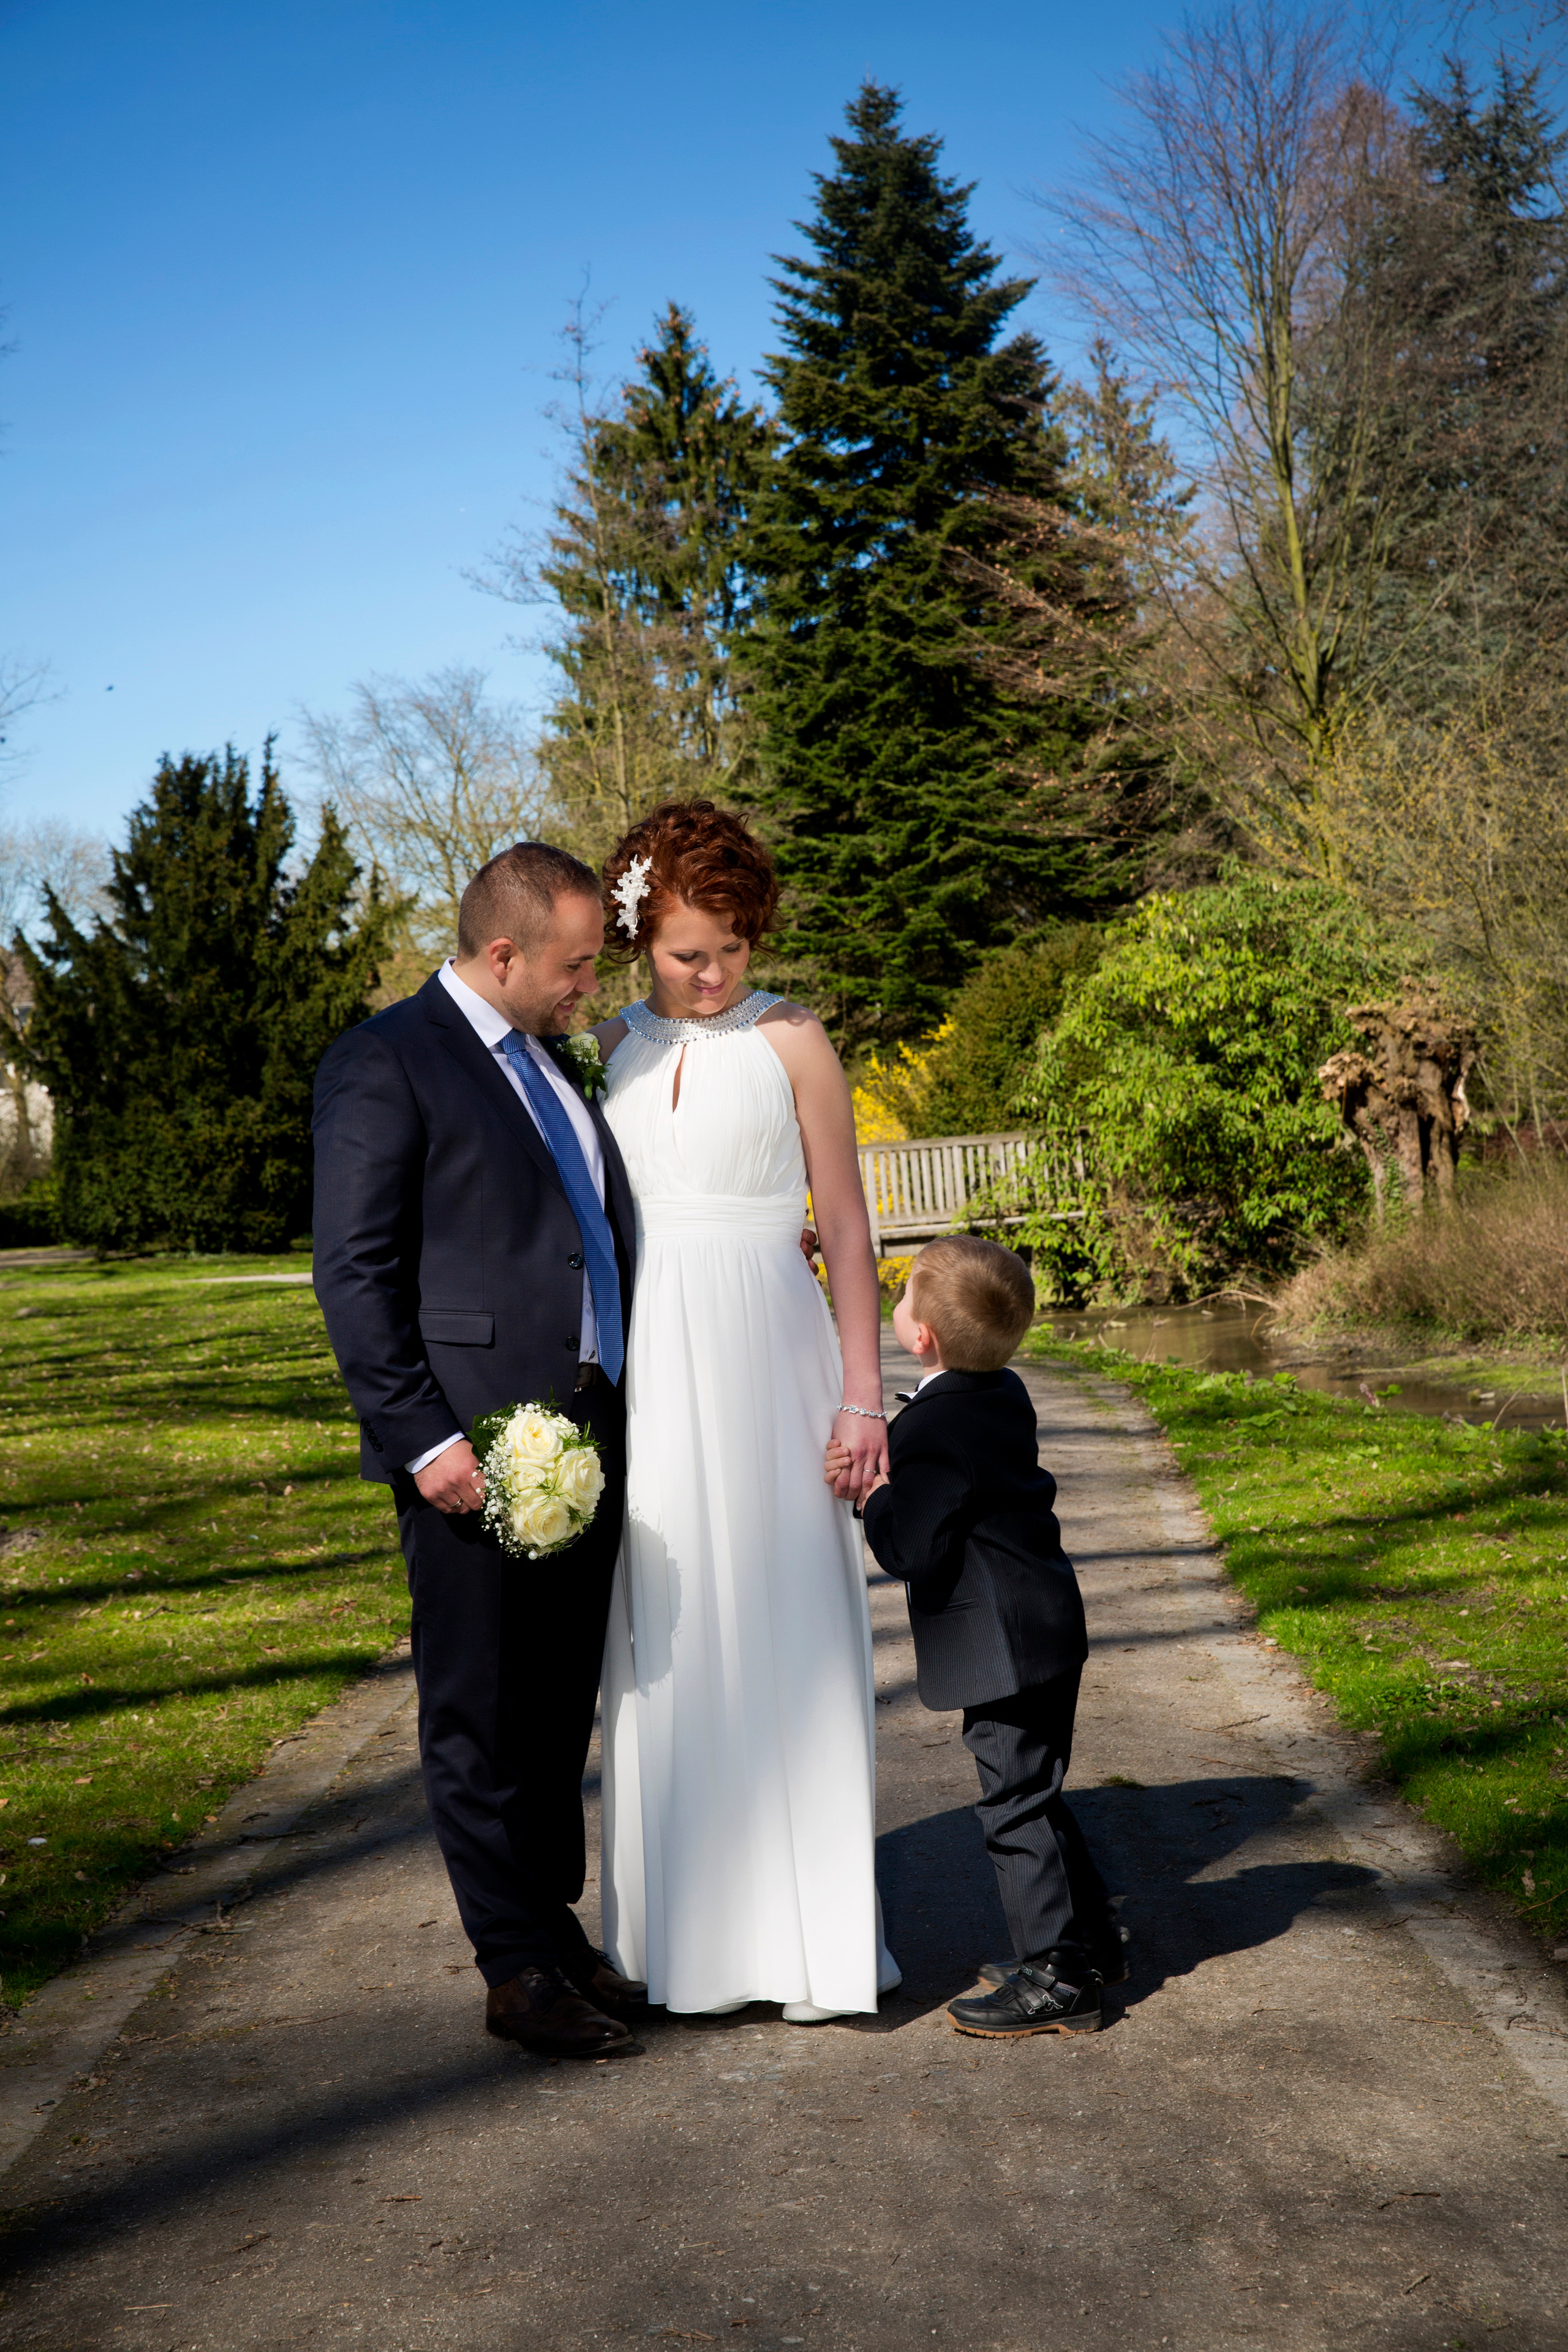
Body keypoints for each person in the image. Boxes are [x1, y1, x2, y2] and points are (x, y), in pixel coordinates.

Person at [311, 842, 648, 2062]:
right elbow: (352, 1274)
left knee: (557, 1707)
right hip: (469, 1446)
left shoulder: (554, 1061)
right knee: (478, 1713)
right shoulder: (384, 1062)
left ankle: (553, 1934)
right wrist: (423, 1440)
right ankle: (511, 1968)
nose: (584, 991)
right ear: (502, 953)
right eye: (569, 968)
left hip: (584, 1435)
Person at [594, 799, 899, 2022]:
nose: (713, 973)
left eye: (731, 946)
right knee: (661, 1634)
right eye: (686, 951)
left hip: (773, 1355)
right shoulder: (602, 1044)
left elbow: (845, 1223)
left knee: (783, 1624)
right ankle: (681, 1944)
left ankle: (804, 1946)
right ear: (637, 939)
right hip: (647, 1366)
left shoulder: (793, 1041)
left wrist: (862, 1393)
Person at [829, 1235, 1121, 2037]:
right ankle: (1091, 1942)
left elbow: (910, 1549)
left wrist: (874, 1497)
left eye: (904, 1299)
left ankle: (1056, 1979)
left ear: (919, 1335)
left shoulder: (929, 1430)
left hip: (1001, 1655)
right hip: (1047, 1629)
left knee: (1012, 1812)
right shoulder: (1006, 1393)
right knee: (1040, 1794)